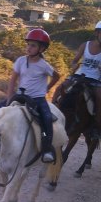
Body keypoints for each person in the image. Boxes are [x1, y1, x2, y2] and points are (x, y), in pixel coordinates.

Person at [6, 28, 60, 163]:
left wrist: (47, 88)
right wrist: (9, 97)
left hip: (37, 99)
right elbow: (13, 80)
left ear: (41, 49)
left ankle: (47, 149)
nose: (29, 48)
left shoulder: (44, 65)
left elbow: (56, 76)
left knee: (47, 118)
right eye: (28, 44)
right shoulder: (20, 61)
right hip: (20, 96)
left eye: (33, 45)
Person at [70, 21, 101, 139]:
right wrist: (74, 66)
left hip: (95, 80)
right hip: (80, 76)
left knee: (99, 98)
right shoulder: (85, 45)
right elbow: (74, 60)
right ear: (97, 33)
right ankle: (54, 111)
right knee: (60, 88)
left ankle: (96, 127)